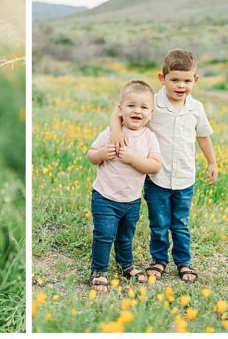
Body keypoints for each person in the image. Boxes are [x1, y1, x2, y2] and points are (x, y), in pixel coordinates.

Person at [109, 48, 217, 283]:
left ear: (195, 80)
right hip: (156, 177)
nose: (181, 86)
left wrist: (212, 162)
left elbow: (203, 136)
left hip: (185, 178)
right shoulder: (153, 103)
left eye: (187, 80)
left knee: (180, 223)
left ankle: (183, 262)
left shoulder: (196, 108)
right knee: (158, 223)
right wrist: (116, 132)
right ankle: (158, 260)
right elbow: (118, 113)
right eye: (175, 80)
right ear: (162, 78)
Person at [86, 79, 162, 291]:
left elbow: (155, 165)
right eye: (131, 106)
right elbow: (91, 155)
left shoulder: (149, 138)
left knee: (126, 235)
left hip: (132, 200)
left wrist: (132, 159)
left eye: (144, 107)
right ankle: (99, 270)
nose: (137, 111)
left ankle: (125, 265)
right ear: (120, 110)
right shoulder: (110, 133)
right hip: (105, 197)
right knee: (104, 235)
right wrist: (101, 154)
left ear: (151, 113)